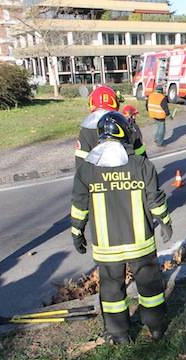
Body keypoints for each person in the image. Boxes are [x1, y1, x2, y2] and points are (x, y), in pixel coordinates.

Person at [71, 111, 172, 344]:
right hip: (141, 244)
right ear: (124, 133)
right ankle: (156, 327)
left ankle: (119, 334)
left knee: (112, 291)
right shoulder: (142, 165)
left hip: (108, 248)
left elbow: (79, 206)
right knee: (150, 287)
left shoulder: (87, 170)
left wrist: (77, 232)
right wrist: (165, 222)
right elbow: (155, 201)